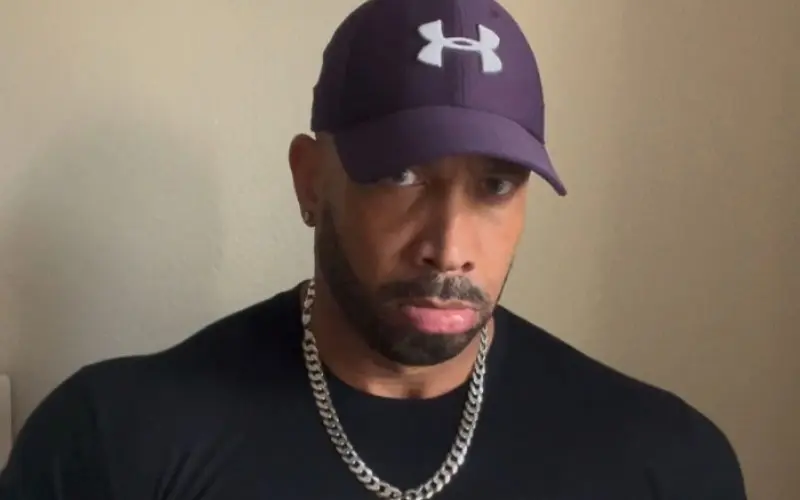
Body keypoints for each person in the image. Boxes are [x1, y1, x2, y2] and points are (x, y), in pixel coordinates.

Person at [0, 0, 748, 498]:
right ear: (310, 180)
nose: (449, 249)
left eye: (494, 186)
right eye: (400, 175)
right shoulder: (112, 445)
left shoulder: (665, 464)